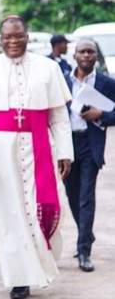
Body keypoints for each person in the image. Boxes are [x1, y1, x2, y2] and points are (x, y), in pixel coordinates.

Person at [0, 15, 73, 299]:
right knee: (8, 213)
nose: (13, 41)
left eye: (18, 36)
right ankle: (19, 279)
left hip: (40, 147)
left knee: (46, 208)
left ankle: (41, 265)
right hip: (1, 150)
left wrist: (65, 152)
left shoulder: (48, 68)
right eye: (8, 37)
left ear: (27, 37)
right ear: (0, 39)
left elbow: (59, 116)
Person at [63, 39, 115, 273]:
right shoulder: (63, 81)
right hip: (67, 144)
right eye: (82, 52)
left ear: (96, 57)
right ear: (74, 56)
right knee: (72, 195)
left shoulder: (106, 83)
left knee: (87, 197)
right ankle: (87, 234)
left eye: (91, 52)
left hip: (90, 144)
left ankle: (84, 251)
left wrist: (101, 114)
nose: (86, 55)